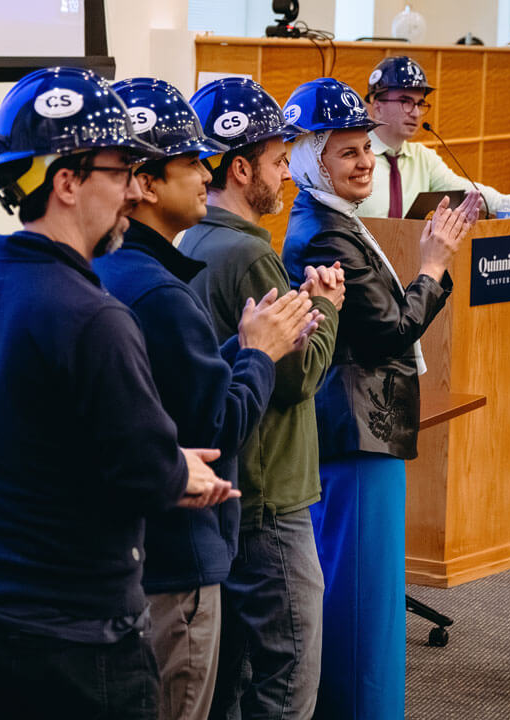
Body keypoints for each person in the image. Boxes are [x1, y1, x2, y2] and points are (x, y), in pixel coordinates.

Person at [0, 66, 239, 720]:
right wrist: (176, 469)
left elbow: (29, 448)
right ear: (65, 181)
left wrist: (160, 462)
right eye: (120, 171)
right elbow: (140, 473)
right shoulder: (91, 317)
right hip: (80, 637)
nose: (133, 192)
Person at [93, 77, 316, 720]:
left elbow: (167, 399)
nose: (204, 174)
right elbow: (217, 430)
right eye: (190, 161)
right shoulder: (160, 293)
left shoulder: (103, 274)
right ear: (143, 182)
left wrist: (236, 352)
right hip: (174, 561)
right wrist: (259, 353)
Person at [279, 77, 478, 720]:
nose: (364, 161)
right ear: (313, 161)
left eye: (365, 147)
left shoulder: (334, 218)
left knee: (367, 596)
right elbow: (391, 328)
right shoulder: (325, 233)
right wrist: (434, 266)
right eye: (347, 152)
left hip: (361, 426)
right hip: (354, 431)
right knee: (362, 602)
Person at [181, 76, 345, 720]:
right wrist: (327, 308)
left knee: (231, 671)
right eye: (279, 162)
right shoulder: (249, 252)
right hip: (270, 490)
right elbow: (295, 377)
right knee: (289, 670)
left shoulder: (191, 239)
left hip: (223, 482)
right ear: (240, 167)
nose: (287, 176)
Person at [358, 55, 510, 220]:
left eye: (420, 103)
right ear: (377, 105)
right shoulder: (357, 157)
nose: (415, 113)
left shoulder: (423, 158)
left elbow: (469, 190)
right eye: (405, 101)